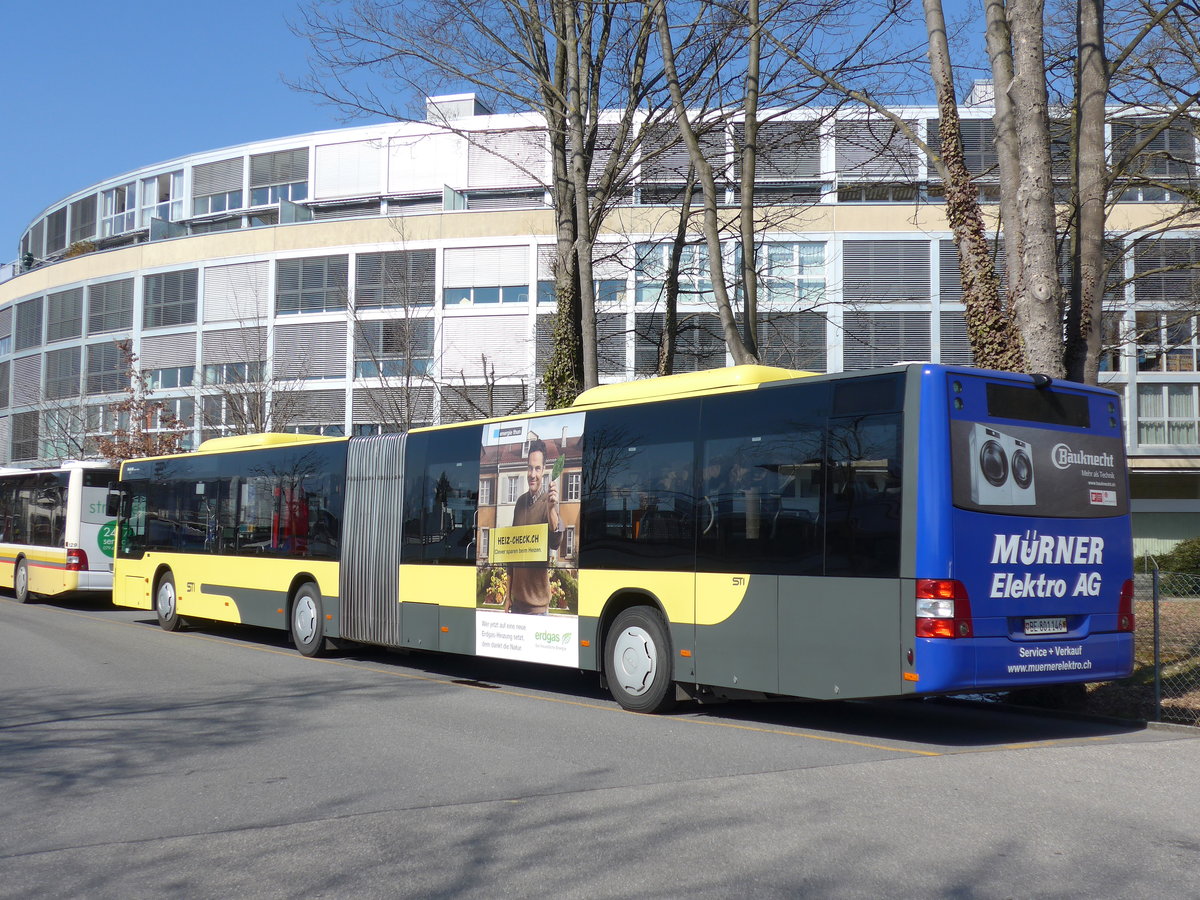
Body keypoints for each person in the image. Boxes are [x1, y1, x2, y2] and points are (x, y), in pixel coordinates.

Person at [504, 438, 562, 615]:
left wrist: (552, 509)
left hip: (538, 609)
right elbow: (511, 554)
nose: (532, 474)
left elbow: (555, 542)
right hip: (516, 605)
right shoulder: (520, 502)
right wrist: (508, 596)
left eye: (537, 468)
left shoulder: (549, 502)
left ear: (544, 470)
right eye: (530, 467)